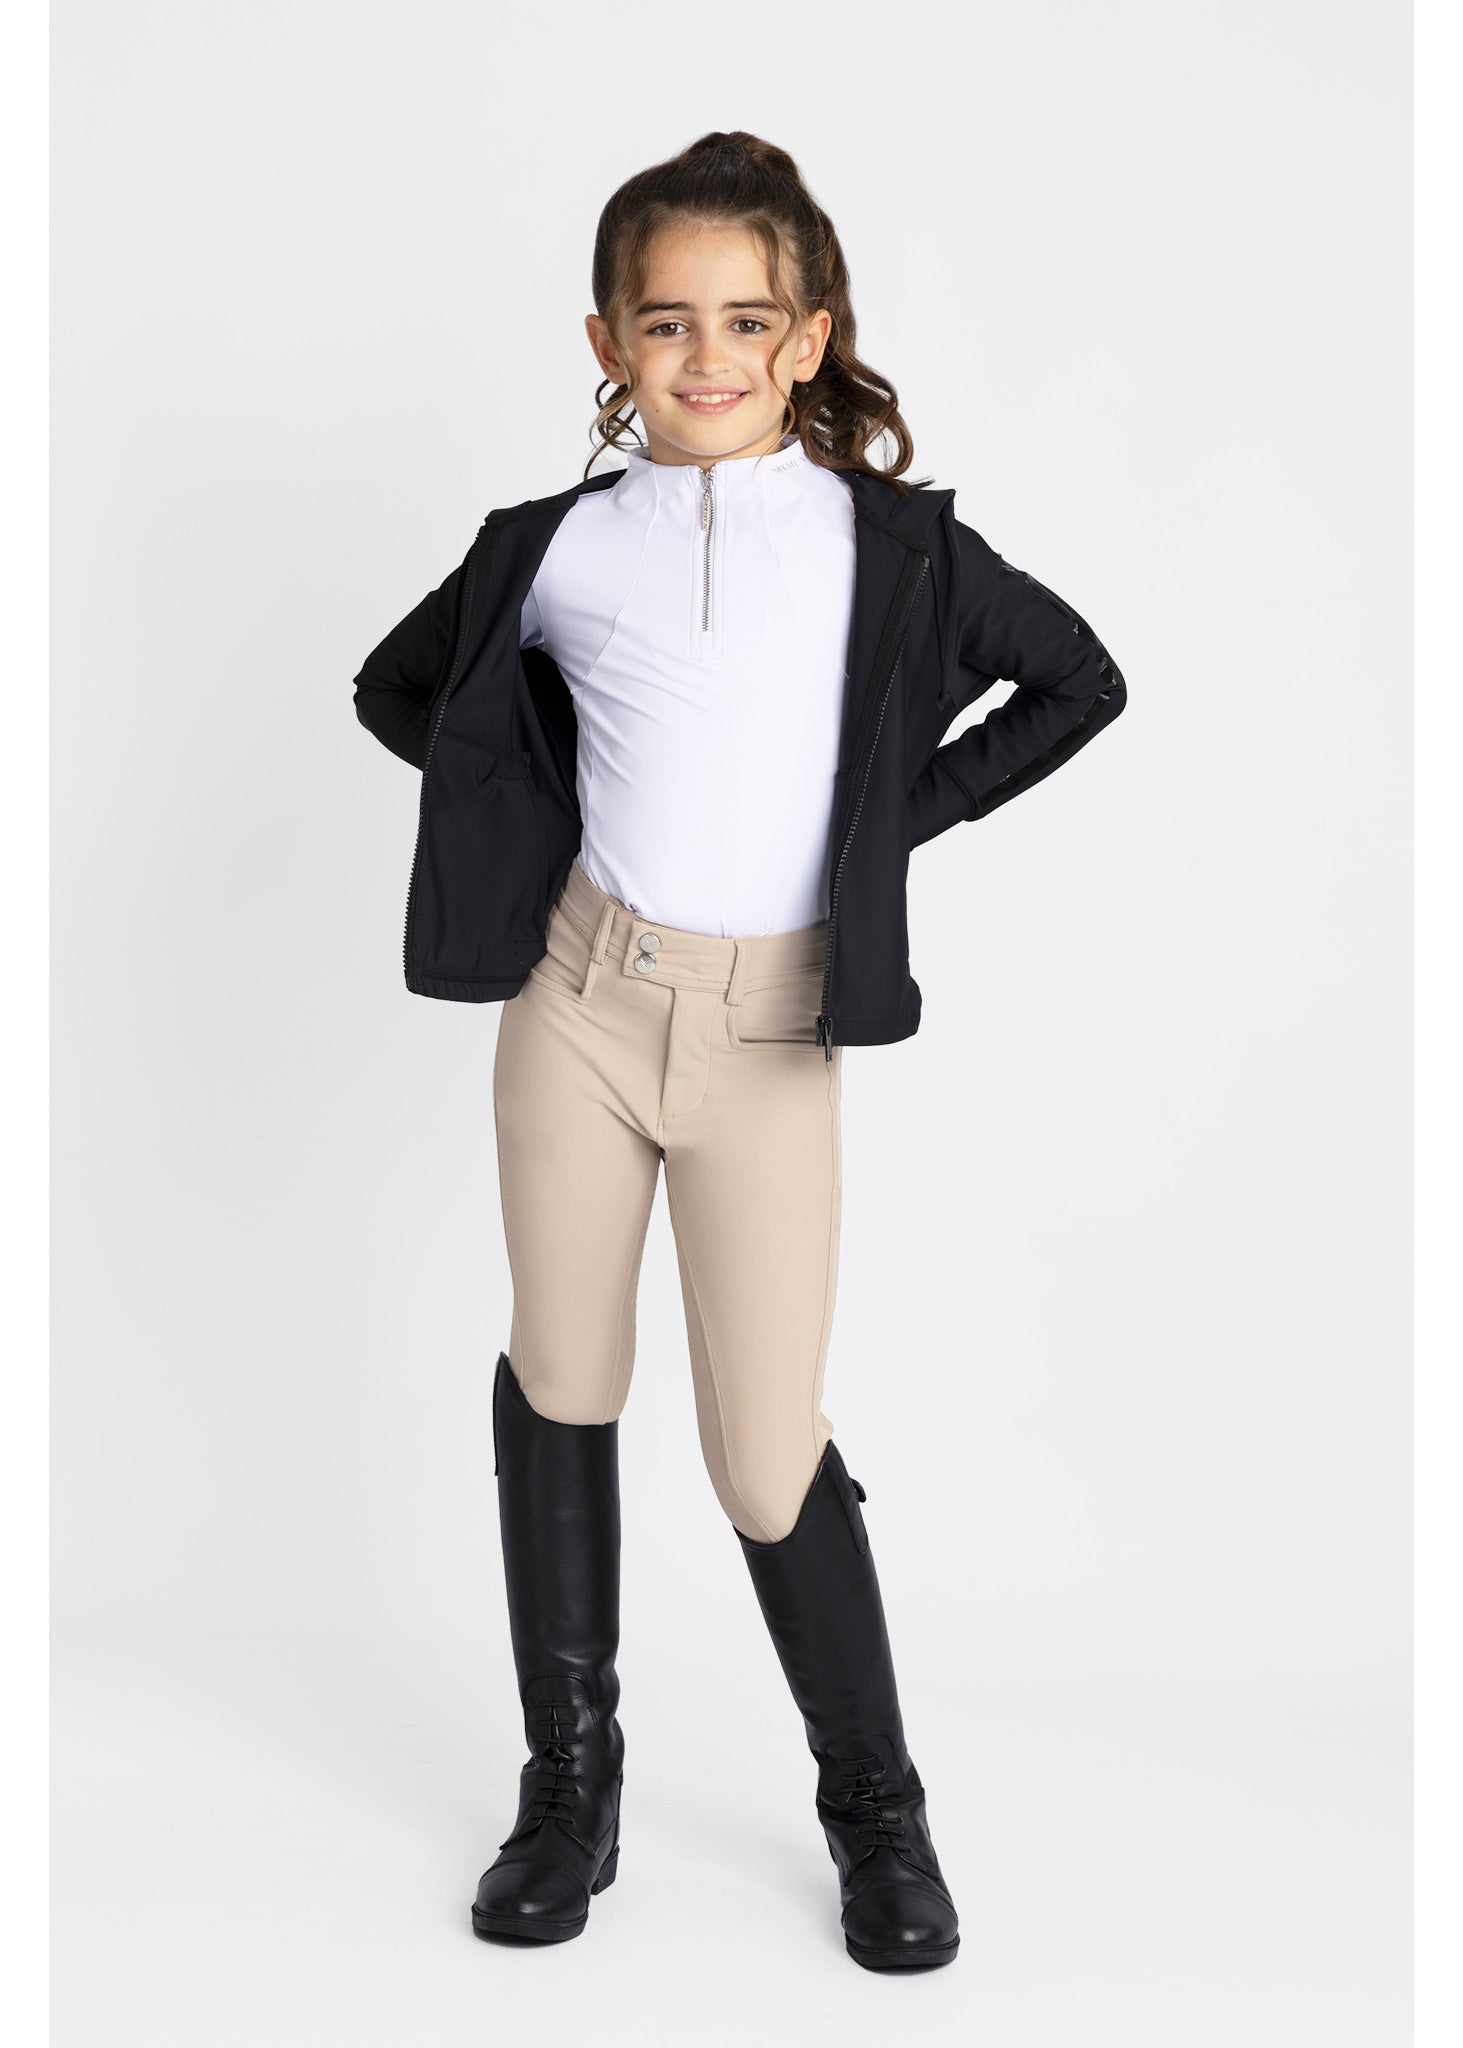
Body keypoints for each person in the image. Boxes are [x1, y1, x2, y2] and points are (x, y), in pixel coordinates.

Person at [351, 128, 1128, 1972]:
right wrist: (533, 824)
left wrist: (885, 827)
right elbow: (401, 690)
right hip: (578, 1008)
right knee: (564, 1373)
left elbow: (1080, 679)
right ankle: (570, 1791)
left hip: (772, 1030)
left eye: (747, 320)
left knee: (767, 1452)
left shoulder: (890, 548)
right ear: (608, 342)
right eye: (666, 321)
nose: (707, 355)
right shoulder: (551, 550)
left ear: (808, 337)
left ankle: (878, 1814)